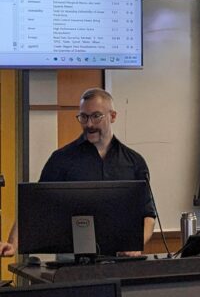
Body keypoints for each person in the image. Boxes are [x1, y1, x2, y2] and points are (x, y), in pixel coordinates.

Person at [0, 87, 155, 257]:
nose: (89, 124)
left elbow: (148, 214)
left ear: (113, 116)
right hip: (72, 263)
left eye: (96, 116)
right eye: (84, 117)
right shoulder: (61, 159)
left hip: (121, 261)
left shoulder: (134, 162)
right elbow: (35, 207)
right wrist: (13, 245)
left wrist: (136, 245)